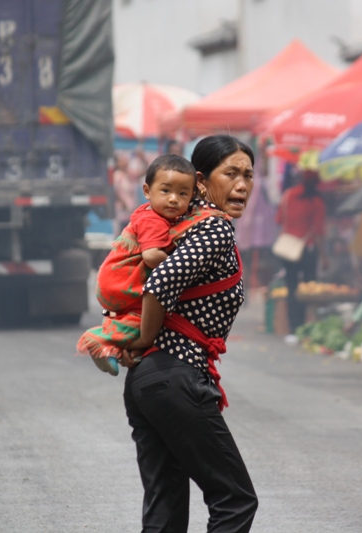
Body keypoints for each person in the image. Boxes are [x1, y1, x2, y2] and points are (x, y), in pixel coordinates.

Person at [118, 135, 258, 532]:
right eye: (230, 173)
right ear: (201, 180)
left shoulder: (174, 223)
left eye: (248, 175)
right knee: (235, 499)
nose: (242, 185)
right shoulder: (214, 229)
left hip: (145, 382)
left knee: (166, 510)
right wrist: (143, 339)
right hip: (177, 376)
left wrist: (141, 344)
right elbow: (159, 283)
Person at [76, 154, 222, 375]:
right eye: (166, 191)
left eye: (182, 194)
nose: (173, 199)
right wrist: (185, 265)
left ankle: (118, 348)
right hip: (123, 281)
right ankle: (101, 341)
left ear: (192, 195)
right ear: (147, 191)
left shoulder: (150, 214)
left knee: (137, 317)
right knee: (147, 317)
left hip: (116, 277)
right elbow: (152, 256)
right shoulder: (153, 220)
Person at [275, 168, 326, 338]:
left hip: (288, 249)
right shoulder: (317, 202)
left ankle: (293, 328)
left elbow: (279, 220)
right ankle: (307, 327)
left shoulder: (288, 196)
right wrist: (324, 256)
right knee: (309, 289)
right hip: (308, 250)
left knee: (292, 288)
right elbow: (318, 232)